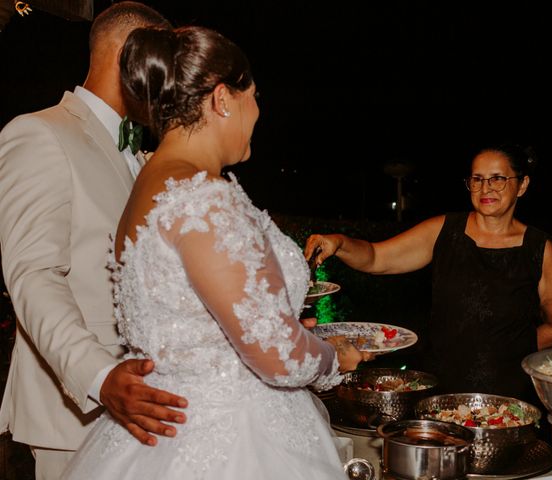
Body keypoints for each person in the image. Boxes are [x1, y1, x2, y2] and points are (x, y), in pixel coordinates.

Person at [61, 25, 368, 479]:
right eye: (255, 96)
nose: (258, 112)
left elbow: (207, 315)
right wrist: (333, 356)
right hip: (234, 438)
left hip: (169, 432)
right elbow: (277, 357)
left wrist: (276, 317)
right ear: (223, 99)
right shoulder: (204, 199)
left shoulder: (148, 186)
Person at [0, 3, 190, 479]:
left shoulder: (149, 158)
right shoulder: (40, 134)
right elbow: (33, 275)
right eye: (165, 63)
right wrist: (101, 377)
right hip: (78, 416)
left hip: (149, 411)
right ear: (134, 56)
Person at [304, 144, 552, 405]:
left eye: (498, 179)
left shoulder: (539, 249)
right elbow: (377, 257)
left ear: (522, 185)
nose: (486, 188)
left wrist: (509, 348)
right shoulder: (444, 231)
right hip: (439, 391)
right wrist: (339, 243)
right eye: (477, 179)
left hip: (507, 397)